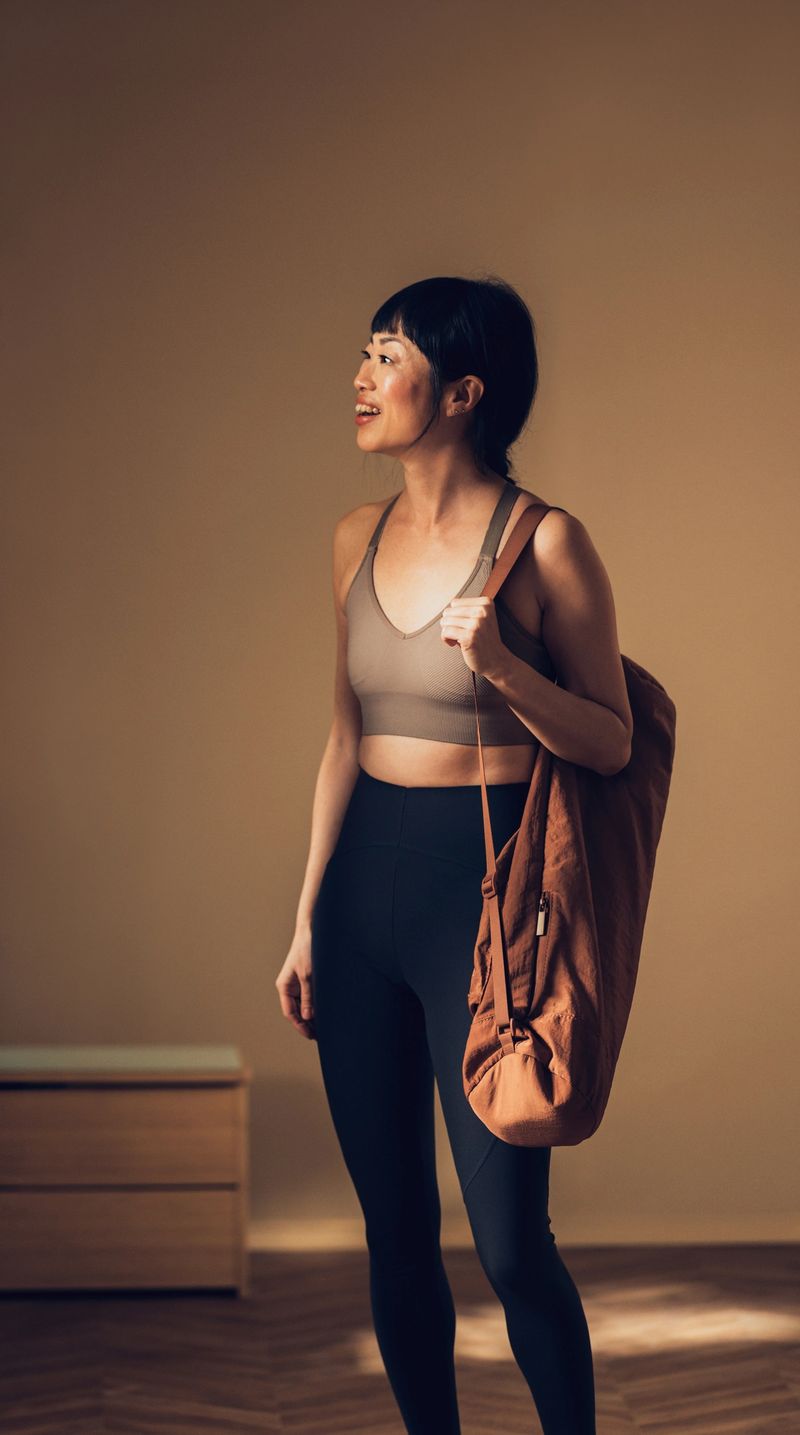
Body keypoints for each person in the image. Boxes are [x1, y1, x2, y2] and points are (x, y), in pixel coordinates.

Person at [275, 274, 633, 1435]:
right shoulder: (350, 538)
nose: (361, 378)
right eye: (365, 353)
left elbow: (612, 740)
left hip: (482, 902)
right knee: (392, 1229)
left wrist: (504, 670)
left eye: (388, 356)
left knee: (508, 1244)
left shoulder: (545, 544)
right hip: (361, 895)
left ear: (461, 391)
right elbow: (343, 740)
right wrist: (303, 917)